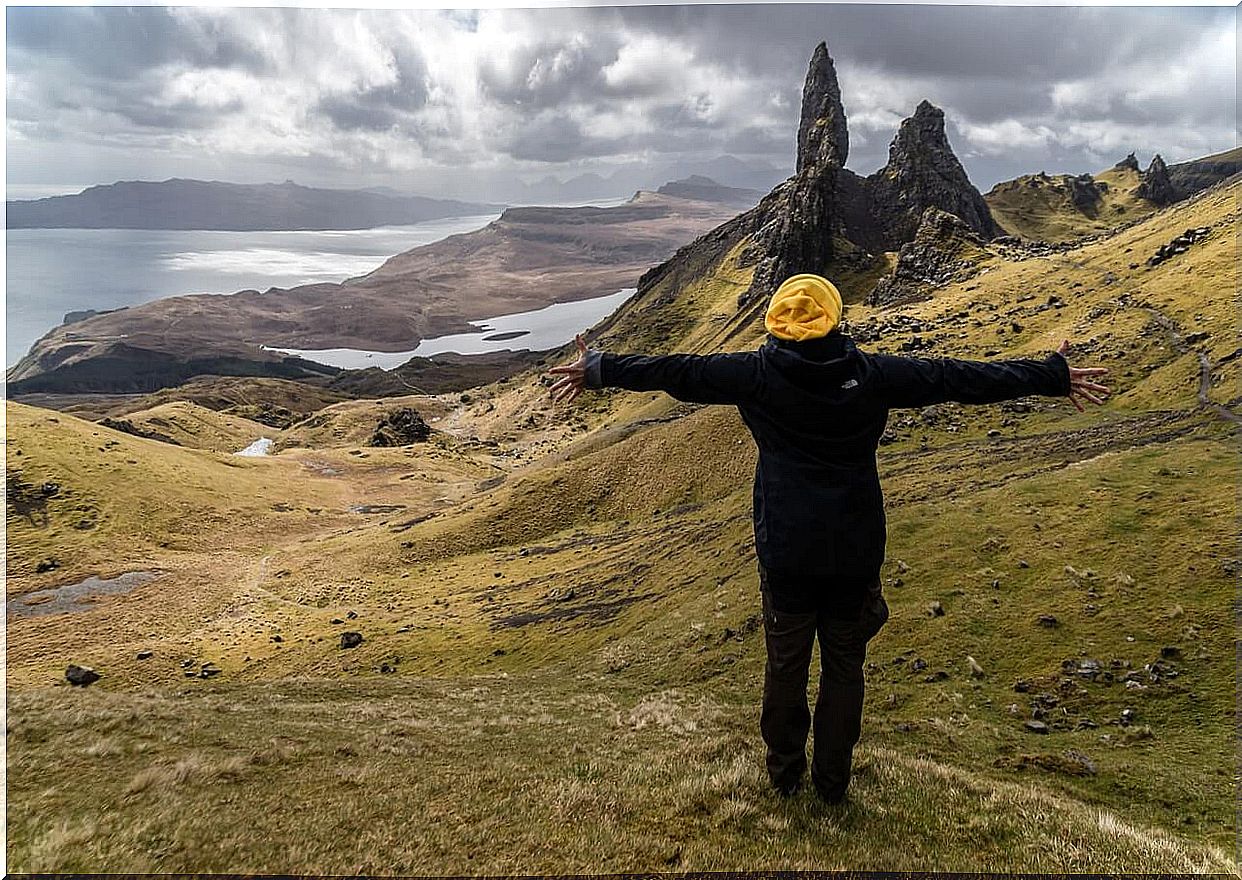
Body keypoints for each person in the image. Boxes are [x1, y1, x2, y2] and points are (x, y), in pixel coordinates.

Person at [545, 273, 1110, 804]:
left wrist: (599, 368)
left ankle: (784, 775)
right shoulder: (873, 374)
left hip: (786, 550)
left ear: (773, 324)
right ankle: (832, 783)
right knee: (845, 668)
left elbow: (677, 371)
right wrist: (1050, 375)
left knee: (785, 667)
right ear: (837, 321)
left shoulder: (755, 375)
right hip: (854, 549)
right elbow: (958, 378)